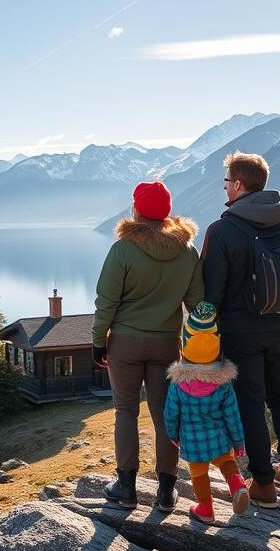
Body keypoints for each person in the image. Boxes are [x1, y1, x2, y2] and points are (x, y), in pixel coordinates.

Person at [201, 152, 280, 508]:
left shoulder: (222, 229)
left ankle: (264, 484)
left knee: (250, 402)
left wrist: (201, 332)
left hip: (239, 331)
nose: (225, 190)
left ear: (237, 185)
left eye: (225, 183)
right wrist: (276, 302)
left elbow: (210, 293)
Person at [92, 180, 204, 511]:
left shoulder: (123, 249)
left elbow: (106, 301)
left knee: (125, 410)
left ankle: (126, 488)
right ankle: (166, 492)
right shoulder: (187, 251)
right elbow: (196, 304)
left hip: (124, 344)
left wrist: (99, 341)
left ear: (137, 209)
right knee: (165, 416)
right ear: (167, 211)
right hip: (166, 345)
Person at [164, 301, 249, 524]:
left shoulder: (178, 384)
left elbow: (171, 413)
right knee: (226, 461)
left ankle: (205, 509)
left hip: (192, 441)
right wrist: (238, 441)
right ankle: (238, 486)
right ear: (216, 346)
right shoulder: (222, 383)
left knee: (198, 473)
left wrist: (172, 434)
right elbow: (233, 414)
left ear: (184, 344)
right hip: (219, 438)